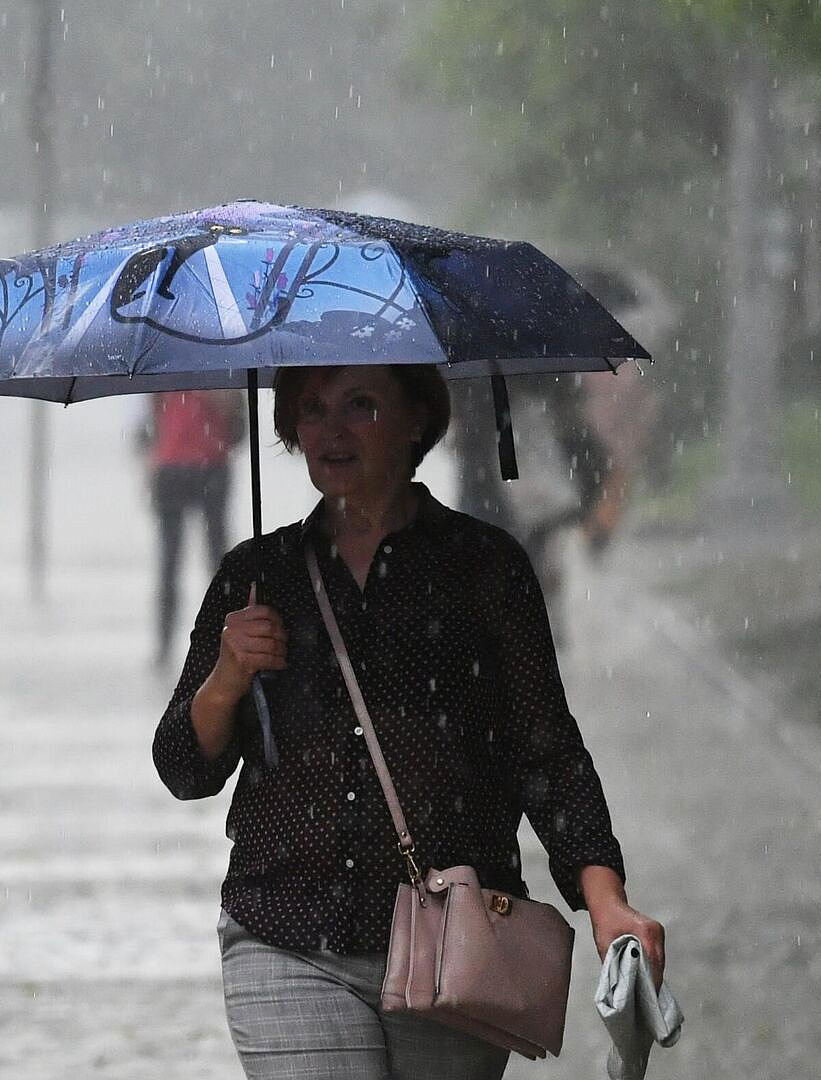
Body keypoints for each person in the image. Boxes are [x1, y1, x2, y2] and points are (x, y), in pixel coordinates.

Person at [151, 364, 664, 1080]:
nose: (331, 428)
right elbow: (184, 767)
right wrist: (226, 678)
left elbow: (544, 752)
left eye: (360, 404)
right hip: (286, 931)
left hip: (455, 942)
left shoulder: (486, 569)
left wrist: (607, 903)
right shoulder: (257, 576)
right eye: (313, 406)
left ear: (417, 418)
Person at [138, 389, 246, 669]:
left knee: (218, 562)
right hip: (178, 465)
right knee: (173, 562)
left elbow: (238, 430)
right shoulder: (218, 362)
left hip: (206, 464)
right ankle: (165, 645)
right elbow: (149, 423)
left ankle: (222, 639)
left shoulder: (215, 371)